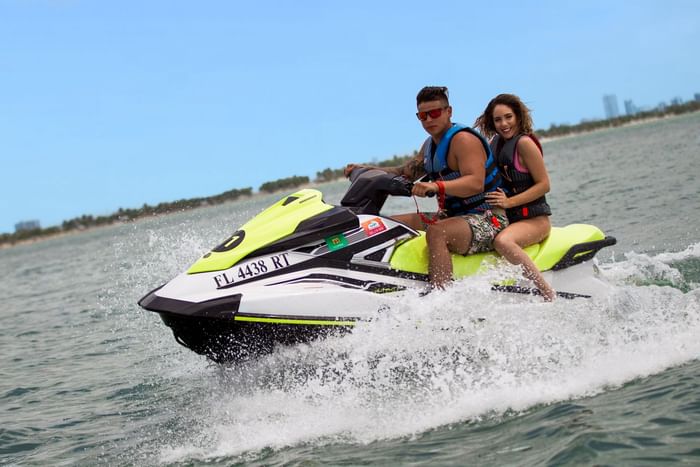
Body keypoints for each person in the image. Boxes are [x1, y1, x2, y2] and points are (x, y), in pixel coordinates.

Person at [344, 86, 507, 290]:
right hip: (453, 215)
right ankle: (374, 283)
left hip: (490, 218)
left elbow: (475, 183)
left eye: (435, 113)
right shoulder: (430, 145)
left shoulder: (464, 140)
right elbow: (405, 172)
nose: (429, 120)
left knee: (437, 232)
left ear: (449, 112)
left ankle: (441, 296)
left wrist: (435, 186)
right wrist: (367, 169)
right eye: (423, 115)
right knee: (383, 225)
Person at [474, 93, 556, 301]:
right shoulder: (494, 144)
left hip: (534, 220)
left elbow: (544, 185)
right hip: (509, 219)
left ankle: (547, 293)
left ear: (518, 117)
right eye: (498, 119)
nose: (504, 124)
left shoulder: (525, 144)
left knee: (503, 242)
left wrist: (508, 202)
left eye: (508, 117)